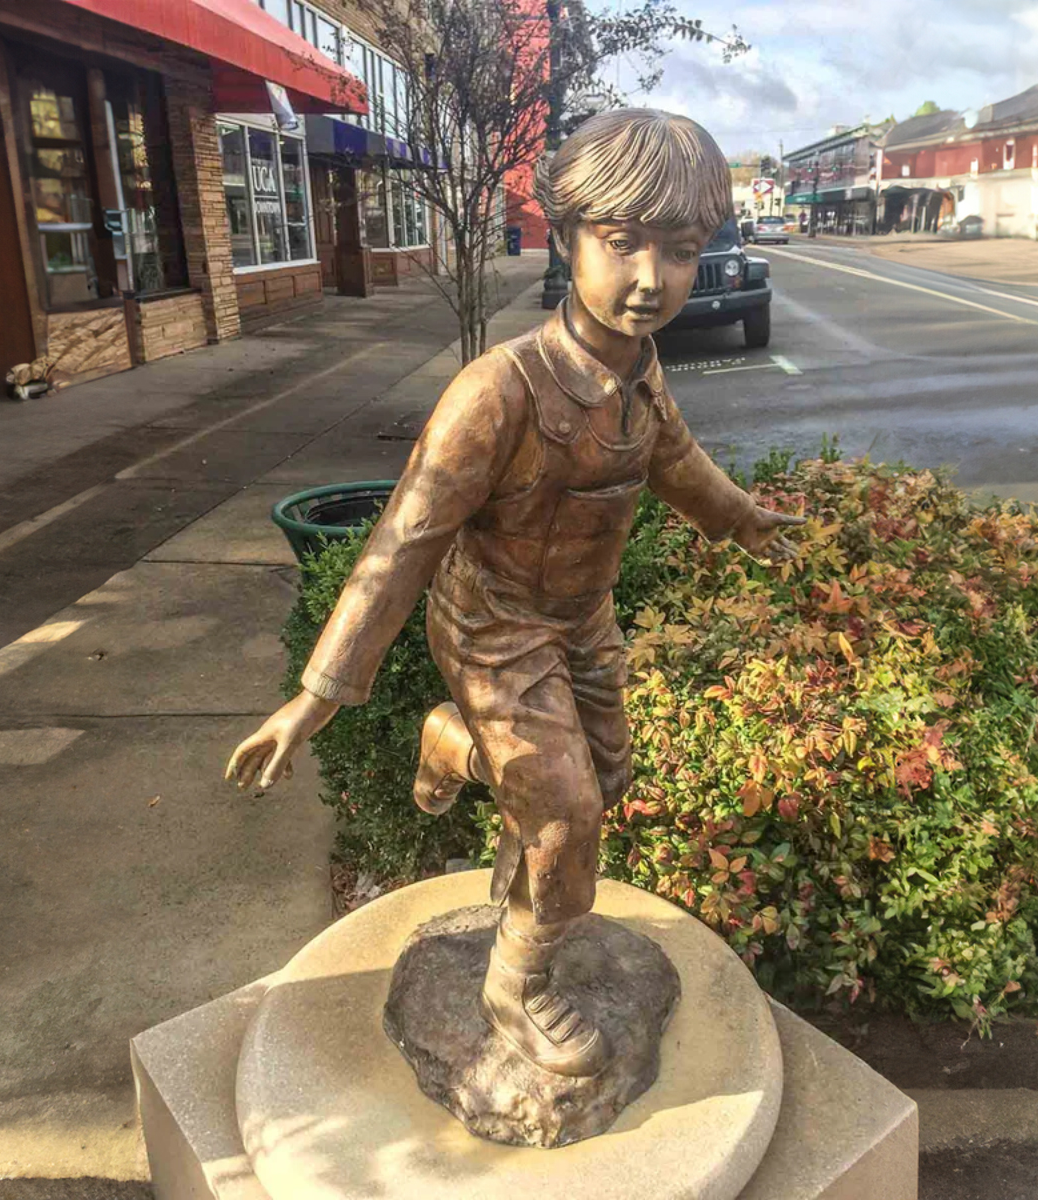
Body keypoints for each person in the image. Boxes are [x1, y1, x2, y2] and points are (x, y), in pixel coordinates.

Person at [226, 109, 805, 1080]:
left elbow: (675, 459)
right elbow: (403, 541)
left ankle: (456, 745)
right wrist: (317, 694)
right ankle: (517, 986)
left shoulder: (641, 375)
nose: (652, 278)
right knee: (568, 816)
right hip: (494, 631)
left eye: (680, 249)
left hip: (582, 621)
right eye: (622, 245)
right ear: (564, 234)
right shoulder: (497, 394)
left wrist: (739, 519)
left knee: (605, 783)